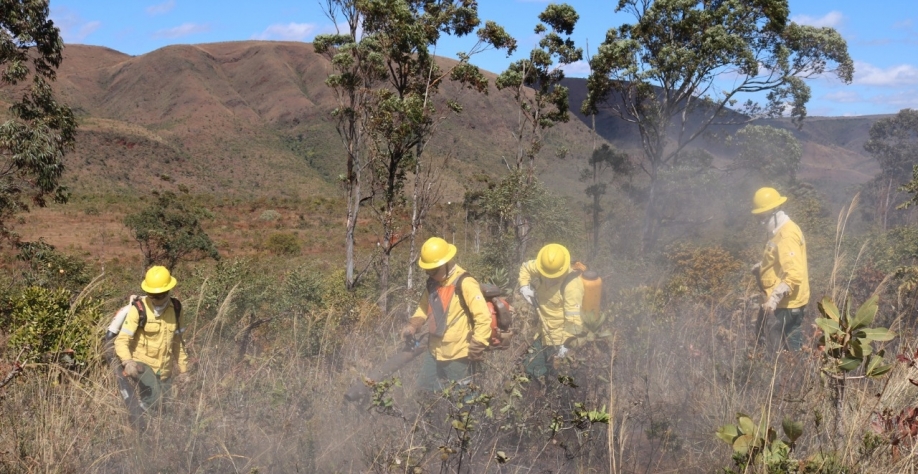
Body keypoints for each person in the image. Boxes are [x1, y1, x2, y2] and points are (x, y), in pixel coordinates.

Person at [401, 237, 491, 391]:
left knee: (463, 397)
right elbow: (423, 308)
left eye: (433, 270)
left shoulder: (465, 282)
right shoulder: (433, 283)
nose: (429, 274)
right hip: (434, 351)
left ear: (445, 263)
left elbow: (483, 317)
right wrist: (412, 326)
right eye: (427, 270)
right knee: (424, 389)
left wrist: (478, 345)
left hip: (458, 354)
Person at [114, 266, 190, 412]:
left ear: (168, 291)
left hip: (164, 368)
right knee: (154, 397)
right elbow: (122, 340)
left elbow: (178, 343)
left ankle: (149, 424)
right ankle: (137, 418)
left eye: (159, 295)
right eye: (152, 295)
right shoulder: (139, 309)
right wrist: (128, 362)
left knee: (165, 407)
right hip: (141, 363)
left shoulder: (176, 308)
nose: (155, 299)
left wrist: (184, 370)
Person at [751, 187, 810, 351]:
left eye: (762, 216)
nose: (761, 221)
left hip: (787, 304)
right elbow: (779, 258)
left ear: (774, 211)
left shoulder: (786, 235)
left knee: (785, 349)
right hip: (780, 303)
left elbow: (794, 274)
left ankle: (795, 368)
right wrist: (762, 267)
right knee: (771, 341)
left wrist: (774, 298)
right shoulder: (778, 231)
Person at [518, 243, 584, 379]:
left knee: (557, 377)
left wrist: (566, 345)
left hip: (559, 338)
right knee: (531, 368)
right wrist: (524, 286)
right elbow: (526, 267)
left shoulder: (572, 286)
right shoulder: (544, 266)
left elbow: (574, 320)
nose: (548, 276)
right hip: (542, 332)